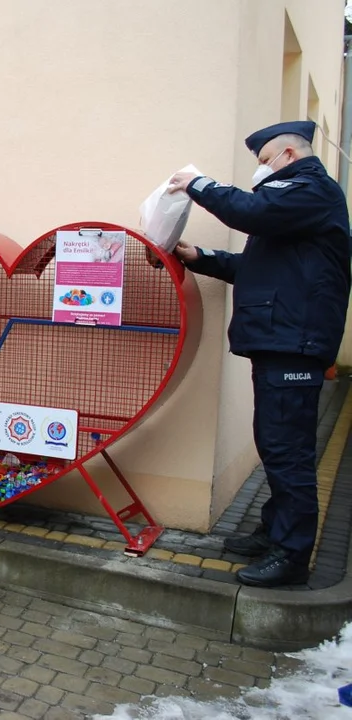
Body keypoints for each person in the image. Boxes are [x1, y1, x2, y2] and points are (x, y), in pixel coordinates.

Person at [167, 120, 351, 588]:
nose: (261, 171)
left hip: (295, 342)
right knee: (275, 443)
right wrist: (201, 256)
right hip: (281, 340)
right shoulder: (295, 209)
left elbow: (248, 210)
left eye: (265, 160)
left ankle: (291, 556)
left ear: (289, 155)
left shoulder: (311, 191)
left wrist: (198, 184)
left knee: (287, 449)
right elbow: (257, 268)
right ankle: (274, 530)